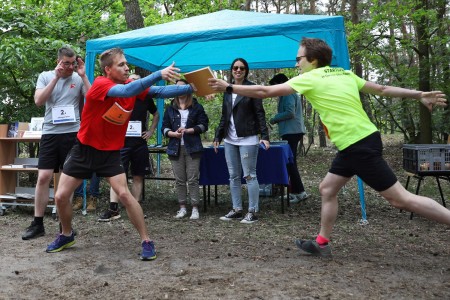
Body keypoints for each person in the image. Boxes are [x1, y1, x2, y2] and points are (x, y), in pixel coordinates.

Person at [208, 37, 449, 256]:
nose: (297, 64)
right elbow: (383, 89)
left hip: (357, 145)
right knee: (327, 189)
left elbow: (264, 91)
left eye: (299, 59)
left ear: (313, 60)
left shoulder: (309, 78)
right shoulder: (344, 74)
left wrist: (228, 87)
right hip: (358, 142)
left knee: (400, 199)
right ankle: (321, 242)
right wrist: (419, 94)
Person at [45, 48, 193, 261]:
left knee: (125, 195)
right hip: (84, 150)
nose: (127, 68)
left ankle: (146, 240)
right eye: (121, 64)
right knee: (60, 196)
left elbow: (159, 92)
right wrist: (158, 74)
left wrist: (193, 87)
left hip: (110, 153)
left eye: (126, 64)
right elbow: (124, 93)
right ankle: (66, 234)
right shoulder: (101, 85)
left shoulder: (129, 87)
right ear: (108, 69)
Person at [22, 46, 91, 240]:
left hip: (72, 134)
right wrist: (56, 78)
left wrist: (84, 75)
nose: (70, 67)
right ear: (58, 62)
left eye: (72, 63)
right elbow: (38, 100)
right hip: (51, 133)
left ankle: (64, 225)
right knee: (43, 177)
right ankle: (38, 223)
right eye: (66, 63)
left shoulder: (78, 78)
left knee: (66, 180)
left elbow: (93, 98)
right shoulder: (45, 76)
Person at [213, 58, 270, 224]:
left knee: (250, 175)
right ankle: (237, 209)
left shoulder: (250, 88)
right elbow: (225, 116)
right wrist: (218, 136)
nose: (238, 70)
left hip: (248, 138)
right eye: (235, 68)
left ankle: (253, 211)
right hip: (230, 139)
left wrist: (265, 136)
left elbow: (260, 113)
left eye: (242, 68)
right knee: (233, 176)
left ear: (246, 71)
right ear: (231, 70)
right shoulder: (227, 91)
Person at [98, 73, 159, 222]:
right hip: (121, 144)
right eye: (131, 80)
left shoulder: (145, 98)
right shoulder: (120, 96)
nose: (134, 83)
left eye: (137, 81)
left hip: (139, 144)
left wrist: (151, 130)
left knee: (138, 176)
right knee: (116, 176)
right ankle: (113, 209)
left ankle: (135, 207)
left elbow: (156, 114)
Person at [162, 79, 209, 220]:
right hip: (175, 148)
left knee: (193, 179)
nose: (180, 90)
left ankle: (195, 208)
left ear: (188, 90)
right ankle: (182, 207)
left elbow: (204, 125)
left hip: (193, 148)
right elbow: (164, 127)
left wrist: (189, 130)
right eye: (177, 88)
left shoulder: (197, 107)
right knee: (180, 180)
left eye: (182, 88)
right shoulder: (170, 108)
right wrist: (172, 133)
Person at [268, 73, 309, 204]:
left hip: (292, 131)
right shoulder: (288, 93)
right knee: (289, 162)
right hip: (290, 131)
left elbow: (290, 112)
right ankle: (294, 192)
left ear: (280, 84)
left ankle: (300, 192)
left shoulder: (287, 93)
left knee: (291, 162)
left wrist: (275, 118)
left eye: (275, 86)